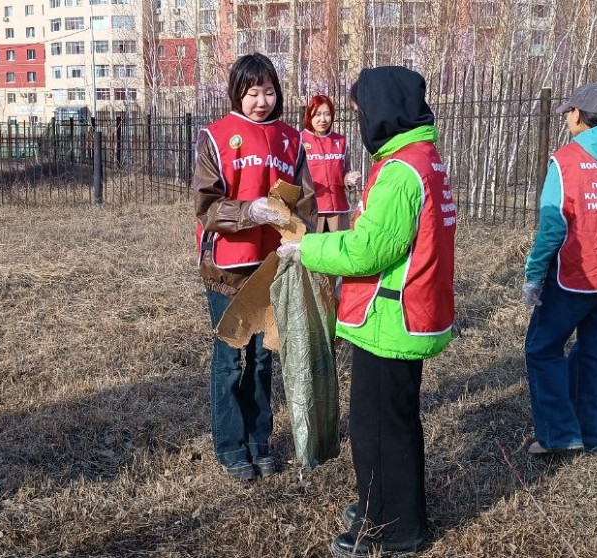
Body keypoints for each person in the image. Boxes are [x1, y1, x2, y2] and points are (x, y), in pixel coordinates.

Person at [279, 67, 457, 557]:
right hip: (408, 313)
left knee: (377, 426)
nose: (357, 120)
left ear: (383, 111)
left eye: (360, 111)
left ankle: (393, 529)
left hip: (390, 317)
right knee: (395, 420)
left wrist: (308, 247)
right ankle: (388, 504)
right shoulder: (422, 159)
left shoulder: (402, 170)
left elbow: (367, 250)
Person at [193, 53, 317, 482]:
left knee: (264, 360)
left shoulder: (291, 140)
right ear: (237, 93)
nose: (261, 100)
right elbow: (206, 207)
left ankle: (258, 441)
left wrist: (304, 241)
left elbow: (306, 203)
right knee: (229, 360)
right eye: (251, 92)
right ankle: (230, 445)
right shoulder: (217, 137)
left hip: (273, 267)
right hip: (227, 270)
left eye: (268, 91)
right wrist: (250, 210)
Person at [520, 82, 597, 456]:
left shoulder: (566, 160)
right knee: (594, 353)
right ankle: (590, 435)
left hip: (575, 276)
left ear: (577, 115)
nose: (567, 119)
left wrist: (533, 275)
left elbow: (554, 225)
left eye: (568, 113)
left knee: (543, 349)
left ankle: (559, 435)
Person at [300, 95, 360, 232]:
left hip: (337, 210)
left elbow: (345, 172)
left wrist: (349, 179)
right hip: (311, 212)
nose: (323, 119)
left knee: (338, 250)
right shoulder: (300, 141)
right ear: (309, 116)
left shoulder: (341, 141)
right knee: (313, 252)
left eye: (327, 114)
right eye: (317, 114)